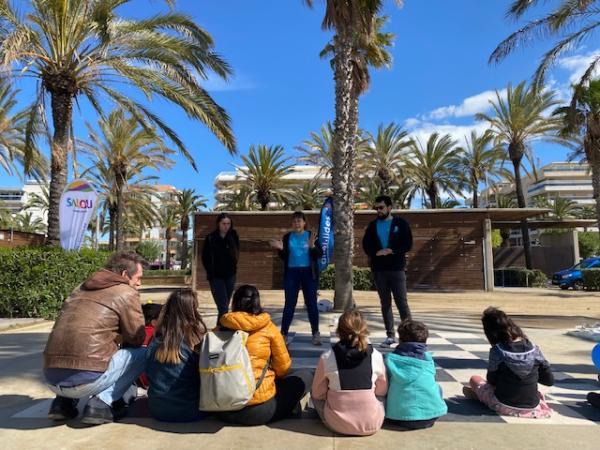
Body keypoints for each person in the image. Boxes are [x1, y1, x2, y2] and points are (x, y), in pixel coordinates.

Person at [43, 252, 146, 425]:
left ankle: (62, 404)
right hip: (87, 380)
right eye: (138, 277)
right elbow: (137, 338)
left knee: (70, 348)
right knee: (144, 353)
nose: (139, 283)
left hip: (51, 377)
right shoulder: (126, 291)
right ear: (123, 275)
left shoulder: (79, 288)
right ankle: (101, 403)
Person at [218, 285, 313, 425]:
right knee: (305, 376)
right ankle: (290, 407)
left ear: (235, 302)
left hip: (220, 409)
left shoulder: (220, 328)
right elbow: (283, 369)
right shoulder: (268, 328)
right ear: (257, 302)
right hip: (258, 409)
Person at [463, 307, 554, 418]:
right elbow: (549, 381)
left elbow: (491, 381)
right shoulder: (534, 349)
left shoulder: (497, 351)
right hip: (532, 406)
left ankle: (481, 395)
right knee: (535, 390)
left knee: (475, 379)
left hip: (503, 403)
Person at [311, 309, 388, 436]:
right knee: (379, 395)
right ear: (364, 329)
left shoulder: (327, 357)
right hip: (372, 424)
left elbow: (318, 394)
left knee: (314, 396)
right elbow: (382, 391)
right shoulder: (376, 355)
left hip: (337, 424)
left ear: (339, 331)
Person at [145, 289, 207, 422]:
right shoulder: (195, 339)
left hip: (157, 410)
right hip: (191, 410)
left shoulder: (156, 339)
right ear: (192, 311)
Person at [362, 195, 413, 348]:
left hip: (396, 269)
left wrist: (393, 250)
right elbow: (366, 244)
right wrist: (375, 252)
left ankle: (409, 336)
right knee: (385, 303)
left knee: (402, 303)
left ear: (390, 207)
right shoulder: (372, 226)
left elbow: (408, 243)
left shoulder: (400, 223)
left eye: (381, 207)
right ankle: (390, 335)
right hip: (379, 270)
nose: (378, 211)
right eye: (376, 208)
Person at [270, 211, 323, 346]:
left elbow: (319, 254)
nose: (296, 224)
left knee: (311, 304)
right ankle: (284, 334)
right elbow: (284, 256)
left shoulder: (311, 235)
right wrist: (281, 249)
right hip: (292, 273)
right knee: (289, 304)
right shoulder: (288, 237)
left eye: (299, 221)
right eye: (294, 221)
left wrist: (312, 246)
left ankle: (315, 333)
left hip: (308, 273)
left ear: (304, 223)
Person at [385, 320, 447, 430]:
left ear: (400, 339)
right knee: (437, 387)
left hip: (397, 417)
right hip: (430, 416)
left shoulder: (389, 360)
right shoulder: (428, 359)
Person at [201, 212, 240, 320]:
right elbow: (205, 257)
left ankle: (221, 327)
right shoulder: (211, 238)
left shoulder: (233, 236)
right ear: (218, 224)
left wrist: (234, 267)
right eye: (223, 223)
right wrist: (210, 272)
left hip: (230, 275)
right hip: (216, 277)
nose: (226, 226)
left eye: (228, 223)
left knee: (225, 305)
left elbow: (236, 253)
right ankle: (224, 328)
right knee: (222, 305)